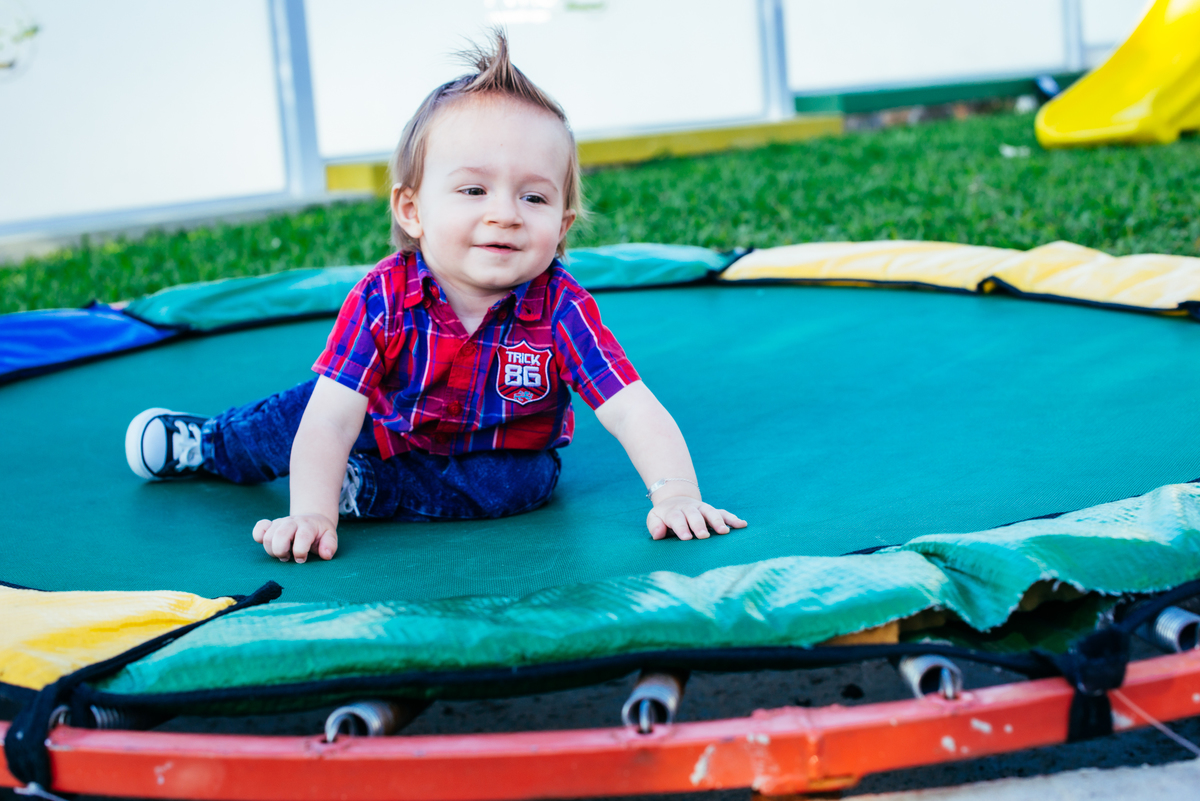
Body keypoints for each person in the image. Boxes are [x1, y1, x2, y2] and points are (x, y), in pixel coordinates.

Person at [124, 31, 746, 563]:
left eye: (533, 197)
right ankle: (211, 445)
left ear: (561, 225)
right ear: (413, 210)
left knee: (519, 485)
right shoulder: (384, 296)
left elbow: (631, 407)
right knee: (299, 413)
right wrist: (310, 512)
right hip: (378, 424)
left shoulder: (562, 308)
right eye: (474, 190)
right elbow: (334, 416)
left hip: (495, 455)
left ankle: (366, 491)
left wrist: (676, 494)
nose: (505, 214)